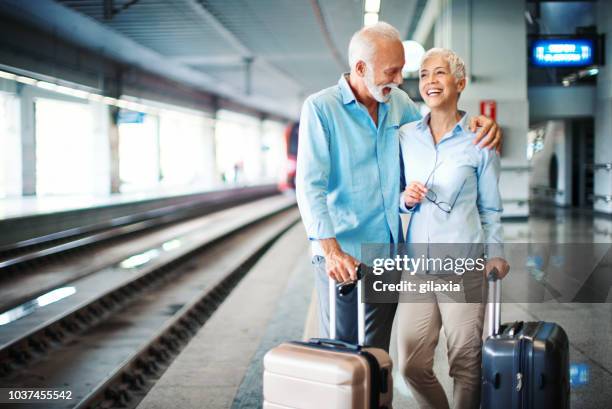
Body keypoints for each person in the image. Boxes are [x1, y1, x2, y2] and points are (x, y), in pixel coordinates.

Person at [295, 22, 502, 351]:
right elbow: (309, 187)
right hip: (344, 253)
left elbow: (436, 130)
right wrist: (331, 252)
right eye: (391, 72)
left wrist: (478, 122)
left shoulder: (399, 103)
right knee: (342, 351)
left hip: (388, 253)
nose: (398, 80)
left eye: (401, 72)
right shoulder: (322, 109)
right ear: (361, 68)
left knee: (377, 353)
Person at [396, 48, 510, 409]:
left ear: (460, 83)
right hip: (418, 267)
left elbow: (491, 208)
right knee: (411, 364)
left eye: (440, 73)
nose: (430, 81)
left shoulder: (480, 141)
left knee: (465, 363)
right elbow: (397, 196)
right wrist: (406, 199)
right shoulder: (405, 137)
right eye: (425, 74)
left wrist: (496, 255)